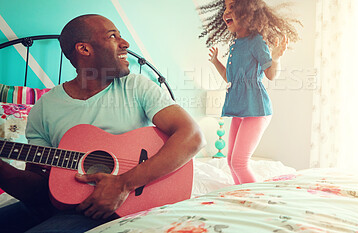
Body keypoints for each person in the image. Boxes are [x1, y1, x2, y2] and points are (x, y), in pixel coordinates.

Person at [0, 14, 205, 232]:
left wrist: (123, 184)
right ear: (84, 49)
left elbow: (192, 136)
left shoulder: (135, 86)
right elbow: (39, 190)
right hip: (64, 204)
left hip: (124, 205)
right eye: (113, 36)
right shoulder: (45, 107)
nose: (125, 43)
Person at [198, 0, 301, 185]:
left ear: (247, 12)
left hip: (256, 109)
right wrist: (215, 62)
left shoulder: (256, 41)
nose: (226, 12)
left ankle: (255, 199)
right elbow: (231, 78)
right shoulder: (236, 43)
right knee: (230, 161)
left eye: (232, 7)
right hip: (240, 109)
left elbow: (270, 74)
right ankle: (241, 195)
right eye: (225, 8)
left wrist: (276, 58)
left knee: (239, 162)